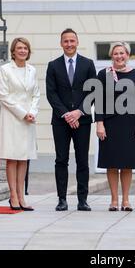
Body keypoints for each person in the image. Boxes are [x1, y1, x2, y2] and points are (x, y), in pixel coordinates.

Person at [46, 28, 97, 211]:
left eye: (72, 41)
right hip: (60, 121)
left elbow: (94, 91)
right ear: (61, 43)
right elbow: (51, 94)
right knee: (61, 159)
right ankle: (62, 199)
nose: (69, 44)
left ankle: (83, 200)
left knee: (82, 160)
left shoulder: (88, 64)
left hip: (82, 121)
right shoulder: (53, 65)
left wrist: (78, 112)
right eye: (65, 41)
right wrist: (67, 114)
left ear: (77, 42)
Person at [95, 42, 135, 212]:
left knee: (127, 163)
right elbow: (99, 100)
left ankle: (126, 200)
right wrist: (99, 123)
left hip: (129, 124)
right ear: (112, 56)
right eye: (116, 53)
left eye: (122, 53)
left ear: (127, 55)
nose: (119, 56)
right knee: (111, 163)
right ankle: (113, 200)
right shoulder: (104, 74)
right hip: (109, 124)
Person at [0, 37, 40, 211]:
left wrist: (32, 112)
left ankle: (22, 196)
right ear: (13, 51)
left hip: (29, 119)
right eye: (19, 48)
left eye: (25, 48)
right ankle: (13, 195)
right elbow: (4, 96)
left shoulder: (32, 70)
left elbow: (36, 94)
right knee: (12, 156)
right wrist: (23, 114)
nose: (22, 51)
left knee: (24, 157)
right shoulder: (5, 69)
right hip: (12, 118)